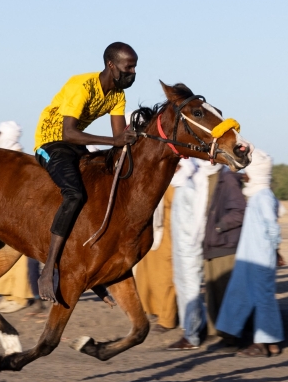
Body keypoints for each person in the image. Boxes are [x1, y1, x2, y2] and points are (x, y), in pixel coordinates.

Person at [33, 42, 138, 301]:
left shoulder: (117, 95)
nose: (133, 73)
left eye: (135, 67)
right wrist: (116, 142)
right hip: (52, 141)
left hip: (76, 145)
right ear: (111, 65)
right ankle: (48, 270)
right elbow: (69, 132)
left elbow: (118, 136)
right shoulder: (83, 86)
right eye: (129, 67)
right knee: (75, 195)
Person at [216, 150, 284, 357]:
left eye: (247, 173)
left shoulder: (263, 197)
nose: (244, 176)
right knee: (257, 296)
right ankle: (271, 342)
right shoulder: (258, 195)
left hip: (261, 258)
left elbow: (273, 227)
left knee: (262, 298)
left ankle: (262, 345)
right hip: (253, 255)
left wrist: (275, 250)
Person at [0, 121, 36, 313]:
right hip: (7, 213)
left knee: (18, 258)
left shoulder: (19, 158)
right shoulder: (6, 156)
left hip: (20, 213)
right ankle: (8, 294)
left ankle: (19, 297)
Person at [167, 159, 209, 350]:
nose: (174, 169)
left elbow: (198, 221)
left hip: (190, 247)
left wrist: (193, 244)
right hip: (181, 247)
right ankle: (196, 326)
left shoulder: (191, 186)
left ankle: (191, 337)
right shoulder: (181, 185)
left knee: (191, 289)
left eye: (177, 166)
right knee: (183, 286)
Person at [201, 161, 245, 335]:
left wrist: (219, 227)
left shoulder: (227, 179)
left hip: (224, 245)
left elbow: (240, 211)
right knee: (212, 293)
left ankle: (231, 337)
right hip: (210, 244)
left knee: (225, 294)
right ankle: (218, 333)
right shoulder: (203, 179)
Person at [134, 180, 178, 330]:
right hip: (153, 227)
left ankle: (167, 319)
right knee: (146, 270)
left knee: (165, 274)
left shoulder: (181, 182)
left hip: (169, 229)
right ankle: (151, 308)